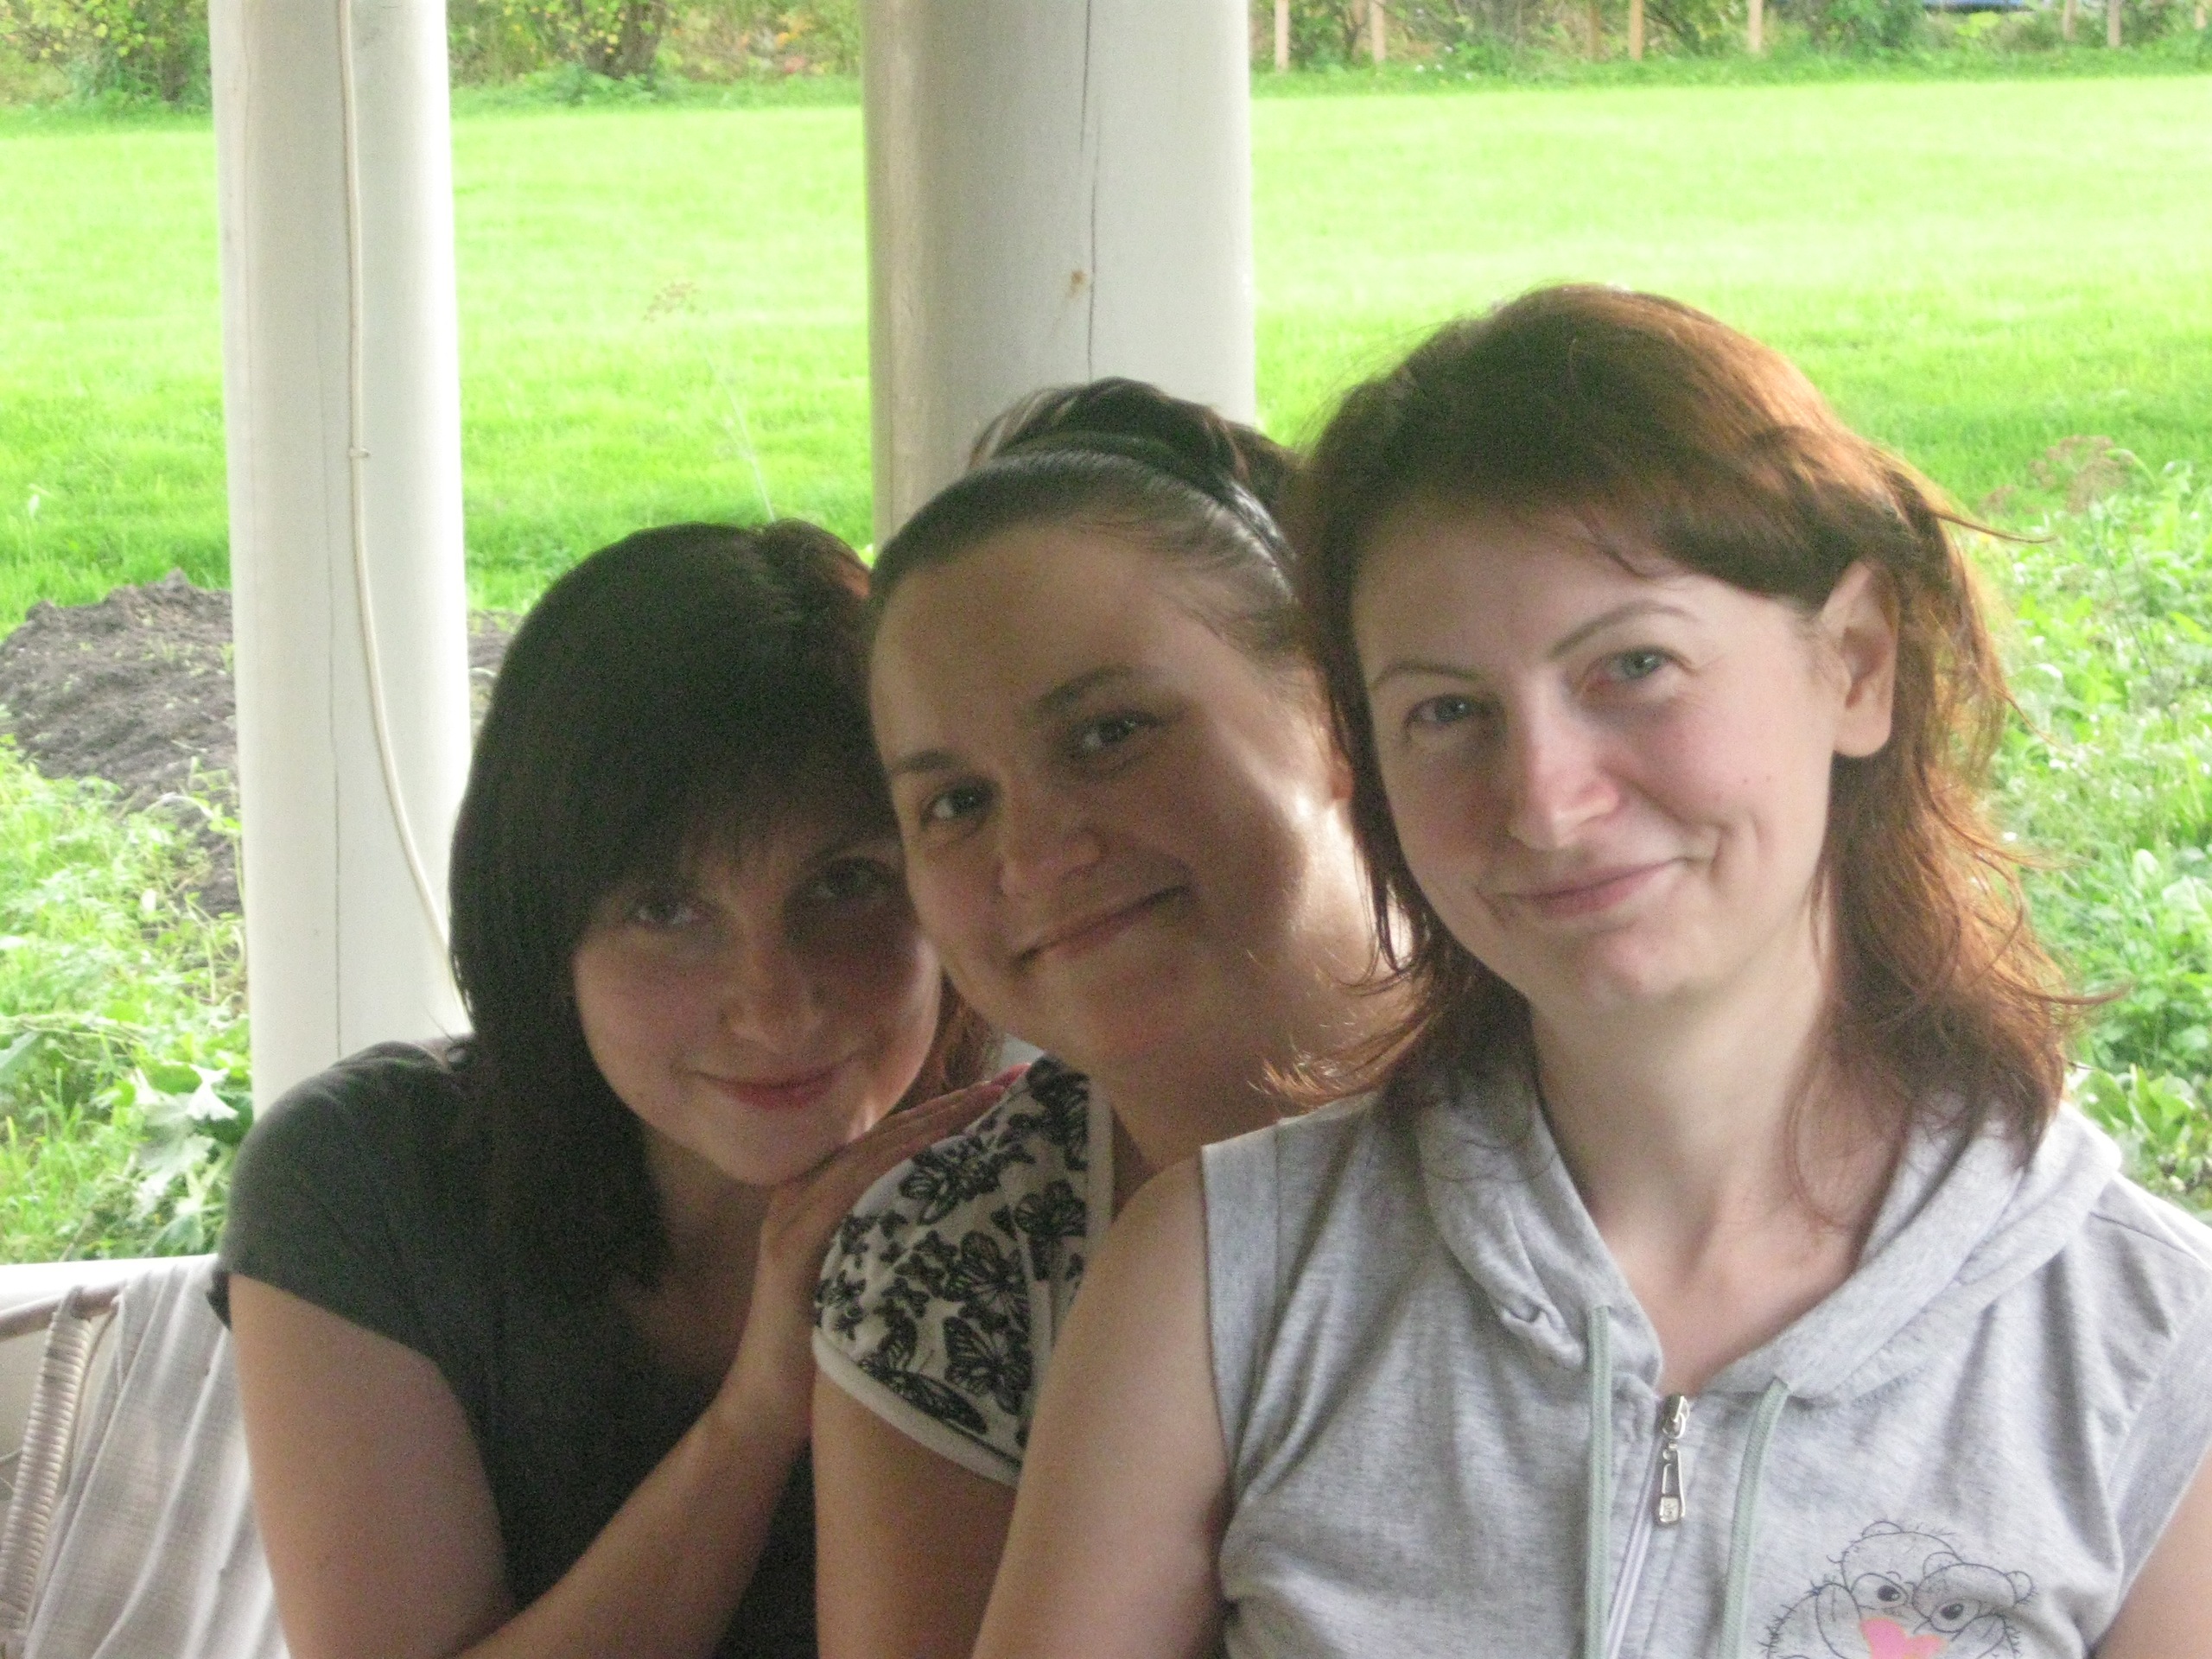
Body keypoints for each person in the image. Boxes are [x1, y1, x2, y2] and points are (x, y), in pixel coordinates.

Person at [969, 288, 2212, 1658]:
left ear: (1857, 665)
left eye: (1634, 665)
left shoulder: (2154, 1352)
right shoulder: (1225, 1282)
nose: (1546, 802)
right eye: (1448, 712)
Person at [216, 521, 1006, 1659]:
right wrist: (758, 1416)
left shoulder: (1055, 1172)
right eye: (666, 911)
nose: (775, 1007)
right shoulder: (366, 1185)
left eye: (845, 883)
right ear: (544, 935)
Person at [808, 381, 1402, 1657]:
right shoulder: (949, 1259)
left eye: (1110, 734)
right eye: (956, 804)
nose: (1037, 854)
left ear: (1333, 711)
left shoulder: (1611, 1126)